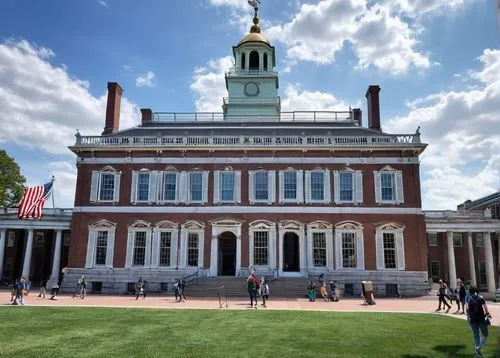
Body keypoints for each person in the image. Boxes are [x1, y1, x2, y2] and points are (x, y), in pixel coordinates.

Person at [466, 286, 492, 356]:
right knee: (485, 335)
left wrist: (468, 318)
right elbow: (485, 307)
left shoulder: (469, 298)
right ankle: (478, 348)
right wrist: (488, 314)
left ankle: (477, 352)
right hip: (481, 319)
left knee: (476, 336)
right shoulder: (481, 297)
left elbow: (467, 309)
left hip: (472, 320)